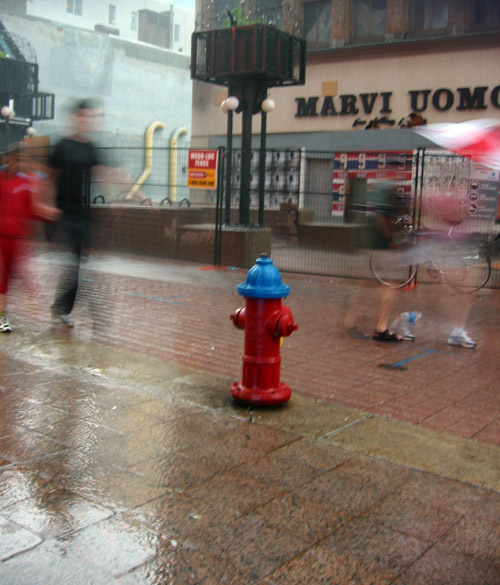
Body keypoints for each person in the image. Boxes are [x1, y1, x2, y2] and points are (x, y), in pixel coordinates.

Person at [50, 99, 101, 328]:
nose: (86, 120)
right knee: (73, 263)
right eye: (83, 116)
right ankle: (61, 308)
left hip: (80, 213)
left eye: (90, 117)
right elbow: (50, 178)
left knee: (77, 263)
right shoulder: (62, 146)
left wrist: (136, 195)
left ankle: (61, 308)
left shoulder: (89, 147)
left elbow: (101, 173)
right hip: (63, 213)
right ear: (75, 117)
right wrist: (46, 204)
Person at [0, 144, 59, 333]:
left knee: (14, 278)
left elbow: (32, 210)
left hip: (17, 240)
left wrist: (46, 213)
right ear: (7, 159)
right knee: (2, 279)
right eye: (16, 160)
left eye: (22, 161)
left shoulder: (25, 184)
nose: (19, 164)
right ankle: (2, 318)